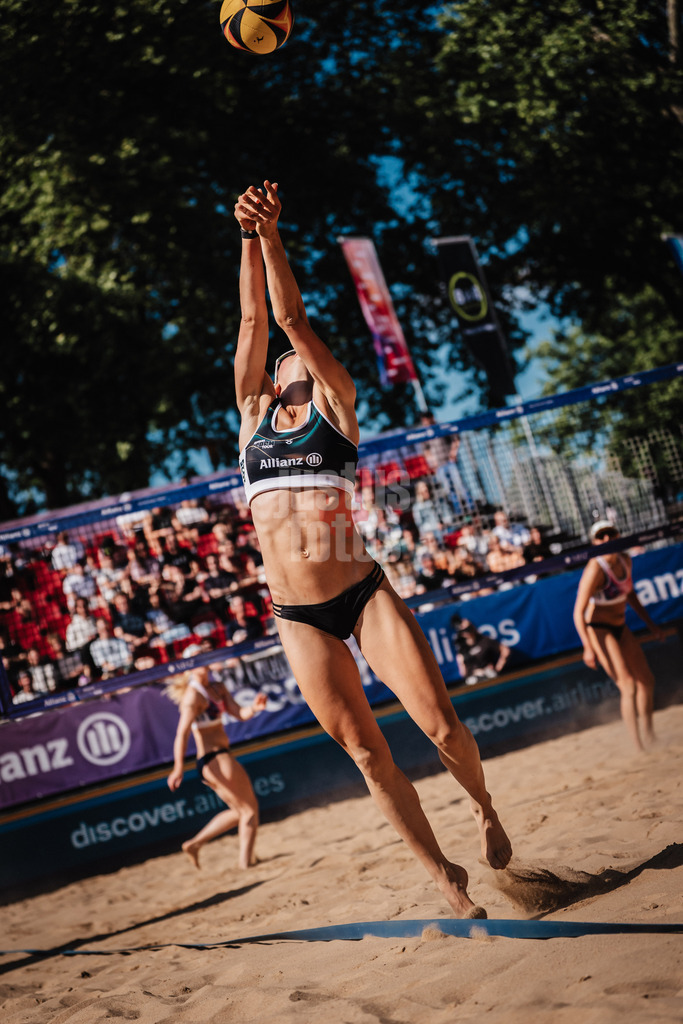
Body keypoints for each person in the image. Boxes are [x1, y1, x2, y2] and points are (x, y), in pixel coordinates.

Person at [231, 179, 512, 918]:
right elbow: (254, 316)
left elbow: (286, 314)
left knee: (441, 725)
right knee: (364, 754)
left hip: (361, 595)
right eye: (280, 358)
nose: (285, 359)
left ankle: (482, 806)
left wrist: (269, 233)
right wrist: (241, 233)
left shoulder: (335, 401)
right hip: (297, 614)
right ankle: (444, 881)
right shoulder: (253, 412)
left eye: (296, 356)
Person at [166, 653, 267, 869]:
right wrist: (177, 769)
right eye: (196, 659)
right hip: (214, 759)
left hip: (215, 759)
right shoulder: (192, 697)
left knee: (239, 812)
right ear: (190, 667)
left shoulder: (217, 688)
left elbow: (239, 713)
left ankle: (194, 844)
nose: (203, 662)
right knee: (250, 810)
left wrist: (254, 709)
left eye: (203, 657)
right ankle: (245, 864)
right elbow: (182, 734)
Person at [573, 520, 665, 752]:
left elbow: (630, 594)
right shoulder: (596, 567)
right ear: (594, 542)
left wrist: (652, 626)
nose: (606, 540)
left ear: (618, 535)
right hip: (598, 628)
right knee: (628, 686)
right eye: (600, 537)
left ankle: (650, 735)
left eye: (610, 534)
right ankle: (638, 747)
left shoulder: (625, 560)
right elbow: (578, 612)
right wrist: (587, 647)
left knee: (647, 681)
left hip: (620, 626)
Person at [451, 617, 511, 686]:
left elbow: (505, 650)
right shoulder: (462, 649)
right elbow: (463, 673)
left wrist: (497, 668)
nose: (467, 632)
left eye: (468, 628)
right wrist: (462, 663)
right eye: (463, 630)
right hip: (473, 681)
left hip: (488, 676)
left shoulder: (485, 641)